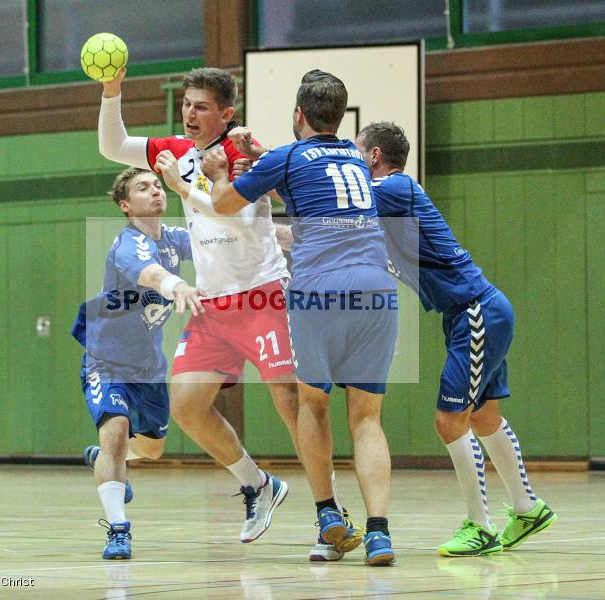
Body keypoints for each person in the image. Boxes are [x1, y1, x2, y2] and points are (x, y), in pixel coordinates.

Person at [204, 70, 398, 566]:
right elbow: (303, 176)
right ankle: (379, 534)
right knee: (368, 418)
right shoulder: (356, 157)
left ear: (299, 115)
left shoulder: (287, 157)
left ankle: (329, 514)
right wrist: (259, 154)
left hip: (320, 289)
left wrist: (221, 171)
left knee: (312, 405)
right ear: (340, 115)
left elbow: (227, 204)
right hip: (376, 286)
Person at [97, 65, 297, 543]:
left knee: (291, 405)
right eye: (186, 103)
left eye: (201, 106)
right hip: (214, 305)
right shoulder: (177, 151)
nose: (190, 112)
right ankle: (258, 484)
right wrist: (111, 90)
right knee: (186, 408)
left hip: (261, 293)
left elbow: (241, 219)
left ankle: (331, 513)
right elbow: (111, 146)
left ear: (225, 113)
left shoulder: (239, 153)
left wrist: (185, 189)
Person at [354, 121, 557, 556]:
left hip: (475, 312)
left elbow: (336, 201)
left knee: (449, 421)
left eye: (355, 152)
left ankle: (480, 527)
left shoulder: (392, 187)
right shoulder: (386, 209)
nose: (351, 160)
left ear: (373, 156)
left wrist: (283, 172)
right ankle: (527, 508)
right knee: (483, 417)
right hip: (473, 312)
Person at [72, 167, 202, 560]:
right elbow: (150, 273)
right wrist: (177, 285)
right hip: (105, 360)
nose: (155, 191)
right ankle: (118, 531)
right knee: (116, 430)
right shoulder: (127, 244)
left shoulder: (175, 239)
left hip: (148, 368)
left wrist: (285, 239)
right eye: (143, 188)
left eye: (158, 185)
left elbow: (223, 245)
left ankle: (107, 460)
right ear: (125, 205)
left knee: (152, 449)